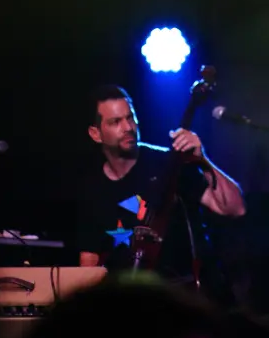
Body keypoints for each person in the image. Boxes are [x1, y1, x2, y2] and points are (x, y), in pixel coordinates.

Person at [75, 85, 246, 306]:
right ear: (95, 134)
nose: (128, 127)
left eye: (130, 118)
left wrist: (202, 160)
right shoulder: (92, 189)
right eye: (115, 122)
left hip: (187, 300)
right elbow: (89, 261)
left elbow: (234, 208)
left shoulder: (167, 164)